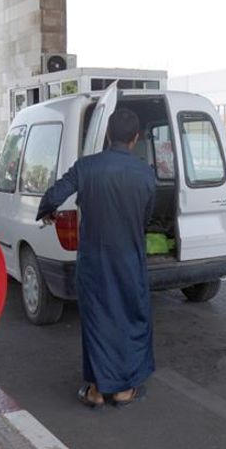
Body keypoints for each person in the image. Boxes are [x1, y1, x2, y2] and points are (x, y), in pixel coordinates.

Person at [36, 108, 156, 409]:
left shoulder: (86, 166)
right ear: (136, 138)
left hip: (94, 260)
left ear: (107, 135)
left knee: (97, 320)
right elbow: (147, 217)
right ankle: (123, 389)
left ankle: (97, 391)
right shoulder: (145, 173)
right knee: (129, 318)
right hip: (129, 258)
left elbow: (53, 196)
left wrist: (47, 212)